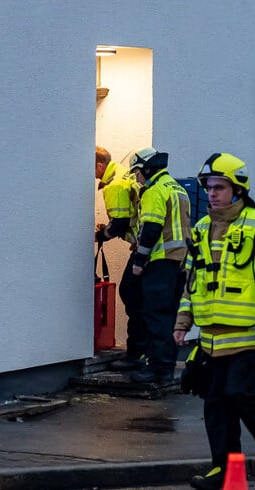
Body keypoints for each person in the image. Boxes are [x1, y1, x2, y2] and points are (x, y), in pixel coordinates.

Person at [174, 153, 255, 490]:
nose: (212, 194)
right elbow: (193, 281)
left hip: (249, 333)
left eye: (220, 187)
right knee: (215, 403)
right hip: (211, 336)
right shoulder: (200, 228)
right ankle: (223, 469)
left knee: (238, 393)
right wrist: (183, 322)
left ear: (238, 190)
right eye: (209, 187)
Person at [127, 147, 191, 383]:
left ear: (148, 168)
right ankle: (166, 363)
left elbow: (151, 229)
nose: (137, 178)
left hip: (160, 261)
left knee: (156, 315)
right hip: (179, 261)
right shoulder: (177, 187)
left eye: (137, 173)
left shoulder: (154, 191)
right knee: (169, 313)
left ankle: (158, 368)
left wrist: (139, 260)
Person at [94, 146, 145, 369]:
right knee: (138, 297)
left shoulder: (114, 185)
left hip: (144, 248)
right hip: (146, 246)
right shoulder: (123, 174)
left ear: (99, 165)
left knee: (130, 293)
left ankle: (136, 352)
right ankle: (142, 350)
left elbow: (120, 223)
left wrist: (99, 236)